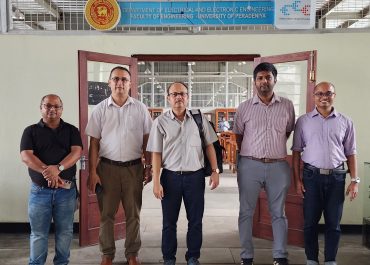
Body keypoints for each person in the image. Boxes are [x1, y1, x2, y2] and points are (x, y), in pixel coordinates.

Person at [147, 82, 220, 265]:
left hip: (195, 177)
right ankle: (169, 258)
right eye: (174, 94)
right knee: (169, 223)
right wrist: (156, 181)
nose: (178, 97)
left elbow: (210, 145)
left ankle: (193, 256)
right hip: (170, 177)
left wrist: (215, 170)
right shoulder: (160, 122)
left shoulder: (199, 118)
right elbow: (156, 153)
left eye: (182, 94)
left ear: (187, 97)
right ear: (168, 98)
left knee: (195, 220)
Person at [85, 66, 152, 265]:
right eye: (116, 79)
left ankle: (132, 253)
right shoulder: (100, 109)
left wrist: (149, 167)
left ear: (130, 84)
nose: (120, 83)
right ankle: (107, 254)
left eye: (124, 79)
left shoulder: (140, 108)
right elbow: (94, 142)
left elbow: (147, 139)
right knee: (107, 215)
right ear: (109, 83)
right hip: (107, 169)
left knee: (133, 214)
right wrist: (93, 172)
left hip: (134, 169)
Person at [233, 62, 295, 265]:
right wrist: (249, 156)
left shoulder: (286, 105)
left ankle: (280, 256)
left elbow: (286, 133)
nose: (264, 81)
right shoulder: (244, 108)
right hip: (250, 165)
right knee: (246, 212)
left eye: (268, 77)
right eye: (260, 78)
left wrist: (272, 150)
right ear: (254, 82)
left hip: (278, 166)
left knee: (278, 213)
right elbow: (239, 137)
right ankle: (246, 257)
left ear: (274, 80)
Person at [292, 82, 358, 265]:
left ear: (334, 95)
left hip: (337, 177)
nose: (324, 97)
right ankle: (311, 259)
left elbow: (351, 152)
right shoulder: (303, 121)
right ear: (314, 96)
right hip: (311, 177)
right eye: (319, 93)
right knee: (310, 223)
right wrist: (297, 181)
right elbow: (296, 152)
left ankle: (330, 260)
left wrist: (355, 180)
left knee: (333, 223)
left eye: (328, 93)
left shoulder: (346, 121)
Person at [20, 94, 83, 265]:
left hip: (66, 192)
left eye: (56, 106)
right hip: (39, 192)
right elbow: (26, 156)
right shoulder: (30, 131)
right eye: (47, 105)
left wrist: (59, 168)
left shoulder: (71, 130)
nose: (52, 109)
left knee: (65, 232)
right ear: (41, 108)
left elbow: (77, 152)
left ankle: (61, 263)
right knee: (38, 234)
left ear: (62, 109)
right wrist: (48, 172)